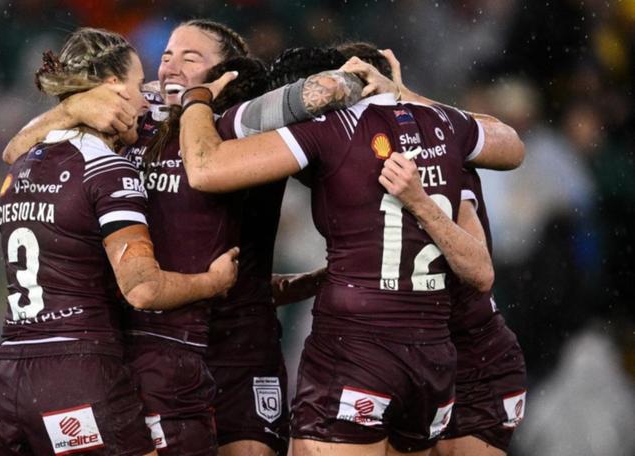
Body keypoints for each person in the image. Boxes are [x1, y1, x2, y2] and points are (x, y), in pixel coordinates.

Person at [176, 43, 524, 455]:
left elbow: (205, 166)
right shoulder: (446, 132)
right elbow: (513, 146)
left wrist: (195, 99)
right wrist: (402, 95)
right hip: (436, 354)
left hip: (362, 349)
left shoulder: (331, 129)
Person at [0, 28, 238, 456]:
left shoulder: (22, 164)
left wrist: (72, 108)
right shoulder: (108, 170)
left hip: (4, 380)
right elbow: (142, 288)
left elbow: (14, 149)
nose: (145, 101)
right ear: (113, 90)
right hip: (77, 373)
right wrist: (214, 282)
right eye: (139, 88)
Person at [377, 50, 528, 456]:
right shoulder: (346, 159)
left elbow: (512, 145)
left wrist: (403, 93)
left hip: (473, 356)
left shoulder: (441, 156)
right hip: (403, 355)